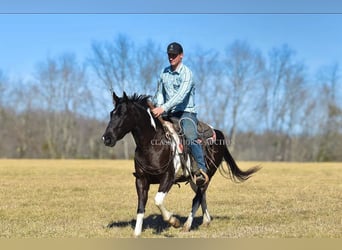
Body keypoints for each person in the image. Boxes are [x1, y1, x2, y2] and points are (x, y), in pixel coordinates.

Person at [152, 42, 208, 186]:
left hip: (186, 112)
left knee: (190, 135)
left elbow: (180, 96)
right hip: (168, 111)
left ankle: (201, 169)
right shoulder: (164, 72)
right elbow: (159, 92)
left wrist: (163, 108)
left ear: (181, 56)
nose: (171, 58)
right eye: (169, 55)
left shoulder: (187, 73)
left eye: (174, 55)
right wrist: (158, 106)